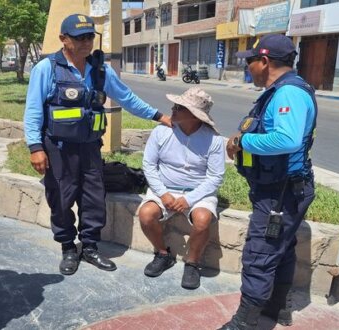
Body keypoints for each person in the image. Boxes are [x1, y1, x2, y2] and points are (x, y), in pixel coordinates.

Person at [24, 14, 171, 276]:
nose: (86, 42)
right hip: (57, 148)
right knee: (60, 198)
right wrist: (35, 147)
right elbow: (33, 110)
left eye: (90, 36)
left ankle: (90, 247)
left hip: (90, 147)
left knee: (93, 198)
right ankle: (69, 248)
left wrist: (159, 116)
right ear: (64, 39)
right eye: (79, 37)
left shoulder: (101, 70)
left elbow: (127, 98)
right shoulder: (46, 68)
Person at [219, 34, 318, 330]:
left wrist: (243, 140)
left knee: (259, 254)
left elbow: (286, 140)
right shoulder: (283, 91)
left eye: (250, 62)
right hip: (281, 187)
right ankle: (279, 309)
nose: (248, 68)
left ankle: (244, 323)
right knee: (282, 248)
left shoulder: (288, 93)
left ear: (264, 61)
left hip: (281, 191)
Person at [138, 87, 225, 290]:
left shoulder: (213, 140)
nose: (172, 109)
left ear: (194, 115)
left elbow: (215, 177)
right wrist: (163, 193)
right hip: (165, 188)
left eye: (179, 107)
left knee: (203, 220)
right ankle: (162, 254)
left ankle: (192, 263)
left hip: (198, 192)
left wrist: (189, 199)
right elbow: (149, 166)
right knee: (146, 214)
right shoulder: (161, 132)